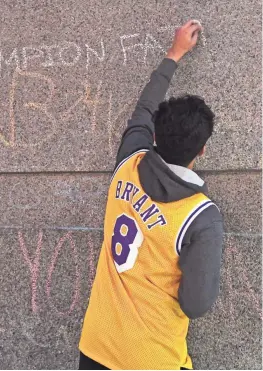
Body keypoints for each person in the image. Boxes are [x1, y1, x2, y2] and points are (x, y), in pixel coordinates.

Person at [78, 20, 224, 370]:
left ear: (154, 137)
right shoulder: (201, 217)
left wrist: (174, 54)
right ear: (201, 151)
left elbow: (143, 110)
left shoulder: (130, 160)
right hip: (153, 358)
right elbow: (196, 304)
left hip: (96, 346)